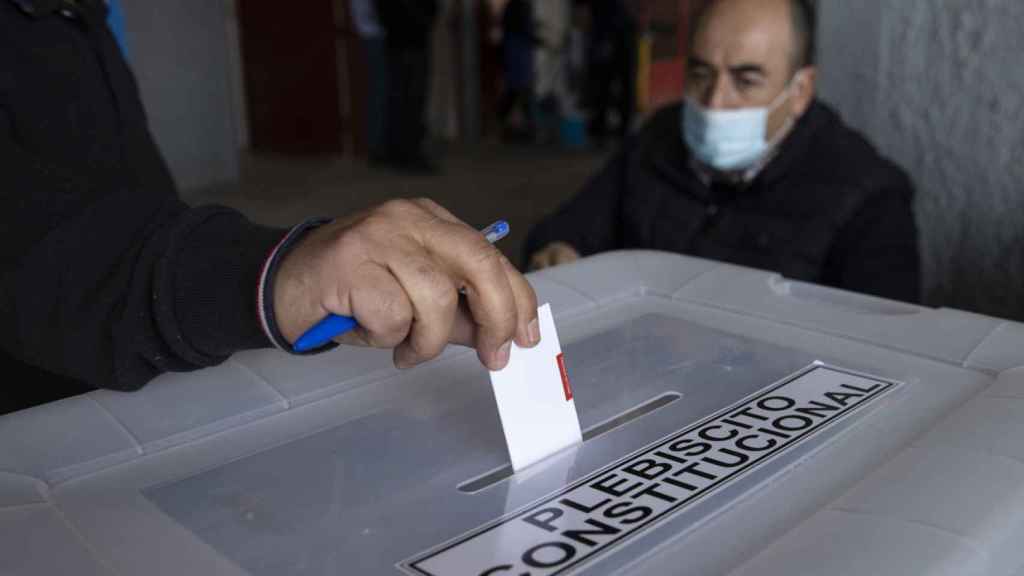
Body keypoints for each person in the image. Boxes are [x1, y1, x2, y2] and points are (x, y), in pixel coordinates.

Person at [0, 0, 539, 415]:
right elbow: (36, 243)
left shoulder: (79, 15)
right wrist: (266, 276)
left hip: (141, 387)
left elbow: (129, 202)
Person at [526, 0, 921, 303]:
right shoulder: (659, 138)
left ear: (799, 91)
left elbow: (884, 354)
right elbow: (566, 228)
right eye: (700, 74)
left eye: (745, 81)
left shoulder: (869, 199)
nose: (715, 100)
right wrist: (559, 253)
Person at [375, 0, 440, 173]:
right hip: (407, 43)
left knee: (406, 99)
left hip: (404, 41)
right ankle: (406, 153)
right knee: (408, 100)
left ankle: (403, 152)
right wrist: (422, 22)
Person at [584, 0, 637, 146]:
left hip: (617, 37)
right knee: (604, 87)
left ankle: (615, 129)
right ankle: (603, 129)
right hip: (609, 37)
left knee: (612, 86)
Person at [350, 0, 389, 164]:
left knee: (382, 91)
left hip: (377, 32)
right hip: (373, 34)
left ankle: (381, 144)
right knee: (378, 92)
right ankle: (377, 146)